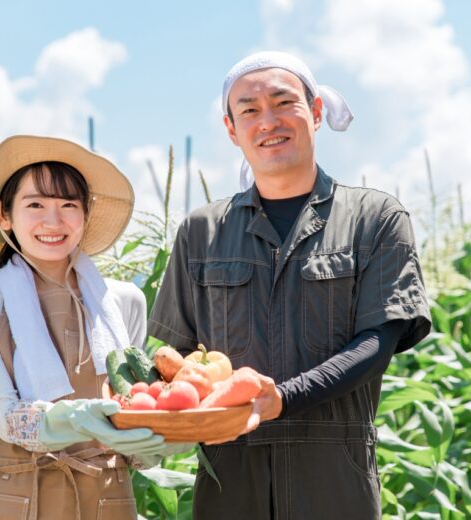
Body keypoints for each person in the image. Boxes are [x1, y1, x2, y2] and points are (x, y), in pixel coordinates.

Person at [147, 51, 432, 519]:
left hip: (335, 477)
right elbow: (171, 362)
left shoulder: (375, 219)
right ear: (231, 129)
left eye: (284, 103)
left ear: (316, 112)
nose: (268, 121)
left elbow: (377, 341)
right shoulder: (201, 232)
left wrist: (281, 399)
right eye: (250, 110)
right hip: (228, 478)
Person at [0, 135, 179, 520]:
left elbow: (134, 400)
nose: (53, 222)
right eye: (35, 204)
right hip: (13, 499)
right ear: (3, 214)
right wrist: (77, 419)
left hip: (107, 498)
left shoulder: (123, 301)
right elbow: (6, 418)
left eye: (68, 205)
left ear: (85, 214)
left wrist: (157, 437)